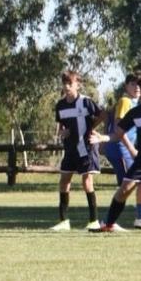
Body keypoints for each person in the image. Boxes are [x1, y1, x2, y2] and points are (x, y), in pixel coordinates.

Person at [90, 74, 141, 233]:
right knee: (124, 190)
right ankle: (108, 224)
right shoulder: (135, 112)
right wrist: (103, 137)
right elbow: (118, 134)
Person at [50, 71, 103, 231]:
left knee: (87, 182)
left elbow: (103, 114)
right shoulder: (60, 105)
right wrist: (62, 133)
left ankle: (93, 220)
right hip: (70, 149)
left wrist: (93, 129)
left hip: (85, 148)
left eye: (70, 83)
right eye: (64, 83)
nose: (66, 87)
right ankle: (63, 221)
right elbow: (60, 128)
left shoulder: (86, 102)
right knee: (64, 181)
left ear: (77, 84)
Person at [102, 74, 141, 229]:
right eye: (135, 85)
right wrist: (105, 138)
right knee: (127, 186)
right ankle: (109, 223)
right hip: (129, 151)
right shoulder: (128, 104)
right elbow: (118, 130)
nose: (140, 90)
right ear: (126, 86)